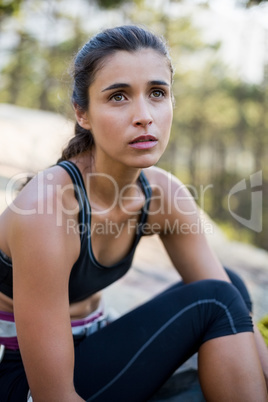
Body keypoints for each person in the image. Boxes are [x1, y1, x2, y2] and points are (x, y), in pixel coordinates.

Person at [0, 25, 267, 402]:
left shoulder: (162, 192)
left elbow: (223, 290)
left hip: (91, 349)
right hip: (21, 378)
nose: (144, 115)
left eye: (157, 93)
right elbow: (53, 395)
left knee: (230, 286)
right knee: (216, 301)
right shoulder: (46, 209)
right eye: (119, 97)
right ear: (83, 113)